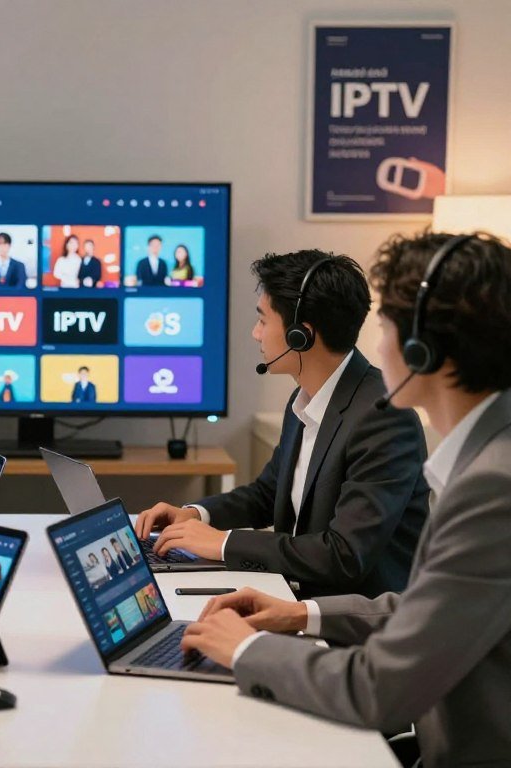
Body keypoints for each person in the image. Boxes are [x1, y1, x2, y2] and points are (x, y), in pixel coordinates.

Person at [180, 231, 511, 768]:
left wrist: (246, 650)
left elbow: (379, 688)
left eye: (387, 328)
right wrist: (299, 615)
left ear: (422, 349)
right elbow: (421, 608)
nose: (377, 347)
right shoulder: (488, 461)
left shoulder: (492, 487)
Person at [137, 250, 429, 598]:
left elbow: (344, 555)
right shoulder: (304, 399)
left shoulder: (384, 417)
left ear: (300, 336)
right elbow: (267, 493)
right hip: (296, 598)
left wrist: (223, 543)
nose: (255, 333)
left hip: (350, 620)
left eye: (263, 320)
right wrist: (196, 515)